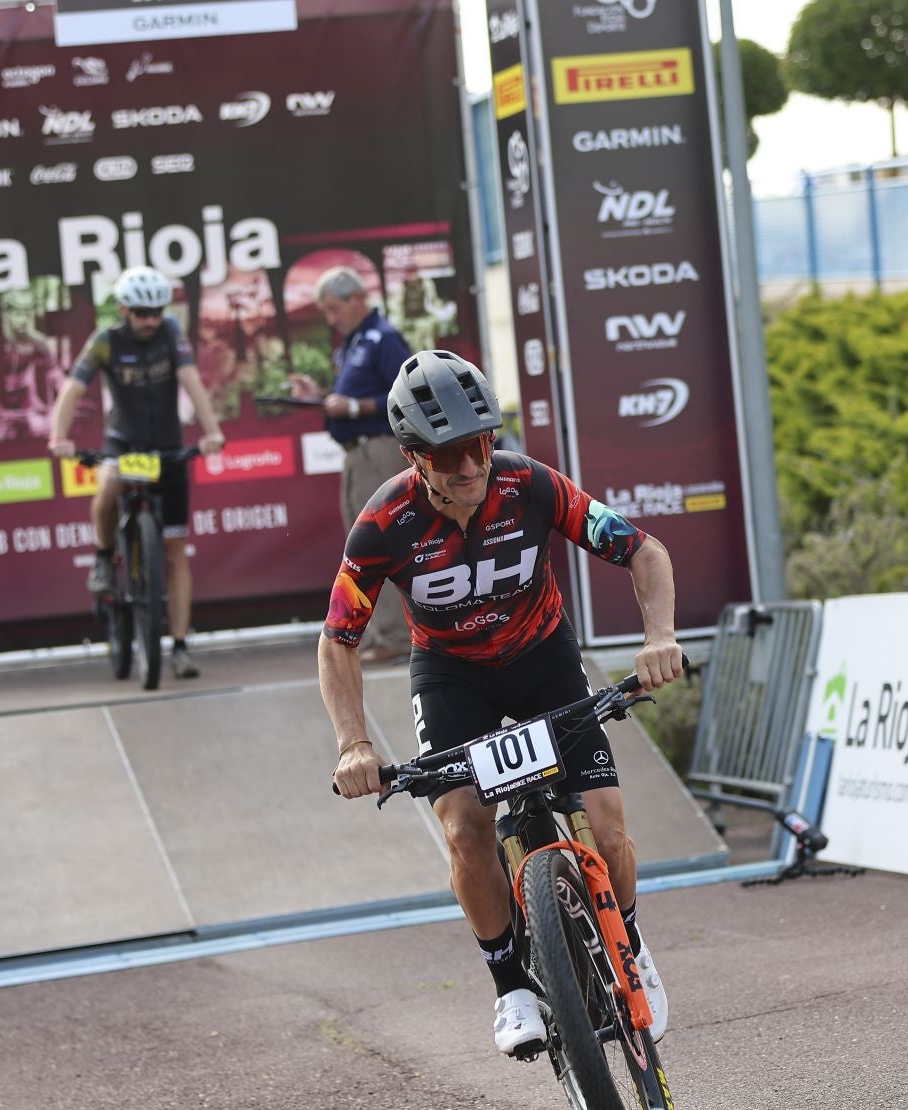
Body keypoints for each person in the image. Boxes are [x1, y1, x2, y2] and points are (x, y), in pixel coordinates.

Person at [320, 350, 685, 1056]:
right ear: (414, 458)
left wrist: (659, 637)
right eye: (450, 453)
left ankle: (631, 948)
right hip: (452, 677)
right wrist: (353, 743)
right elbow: (338, 638)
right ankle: (510, 985)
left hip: (544, 658)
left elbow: (644, 552)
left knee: (607, 831)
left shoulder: (529, 484)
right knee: (463, 830)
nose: (470, 466)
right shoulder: (383, 523)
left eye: (480, 444)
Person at [49, 267, 225, 680]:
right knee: (108, 482)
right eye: (142, 312)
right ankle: (104, 556)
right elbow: (73, 389)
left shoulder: (170, 334)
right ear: (125, 310)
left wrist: (212, 430)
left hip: (166, 447)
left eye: (156, 311)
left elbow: (191, 382)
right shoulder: (106, 341)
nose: (150, 320)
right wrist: (59, 436)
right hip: (123, 445)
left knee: (175, 551)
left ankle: (180, 646)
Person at [288, 268, 413, 664]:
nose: (330, 318)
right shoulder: (353, 342)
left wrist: (354, 406)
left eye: (334, 308)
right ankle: (380, 633)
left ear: (357, 298)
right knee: (364, 545)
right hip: (356, 452)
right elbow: (349, 399)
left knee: (385, 540)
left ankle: (396, 636)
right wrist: (321, 397)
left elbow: (408, 393)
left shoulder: (384, 337)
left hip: (381, 448)